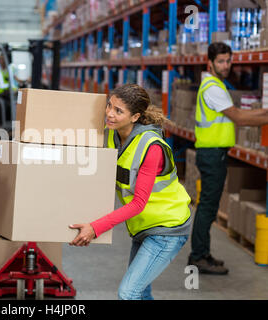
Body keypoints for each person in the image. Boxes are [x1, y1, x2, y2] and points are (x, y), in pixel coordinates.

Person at [69, 84, 191, 300]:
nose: (109, 113)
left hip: (166, 228)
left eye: (118, 111)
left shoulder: (151, 147)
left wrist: (95, 228)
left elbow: (138, 204)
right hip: (143, 227)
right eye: (109, 106)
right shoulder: (111, 136)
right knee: (141, 293)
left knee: (129, 293)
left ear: (135, 116)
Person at [188, 42, 268, 275]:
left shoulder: (217, 84)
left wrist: (264, 112)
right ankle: (198, 256)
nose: (226, 65)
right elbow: (239, 117)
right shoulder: (212, 87)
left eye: (228, 60)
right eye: (221, 61)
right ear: (210, 63)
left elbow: (241, 114)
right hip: (211, 154)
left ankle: (203, 253)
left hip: (215, 153)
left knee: (208, 207)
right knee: (207, 208)